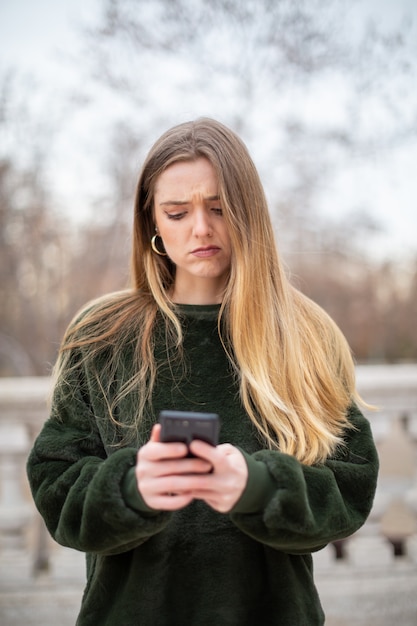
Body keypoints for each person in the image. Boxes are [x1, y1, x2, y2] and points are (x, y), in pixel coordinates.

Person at [27, 118, 379, 626]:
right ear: (151, 222)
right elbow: (55, 487)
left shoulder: (304, 335)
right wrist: (129, 487)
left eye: (218, 208)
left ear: (248, 213)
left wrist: (257, 488)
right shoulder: (100, 336)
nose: (200, 228)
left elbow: (348, 488)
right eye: (176, 211)